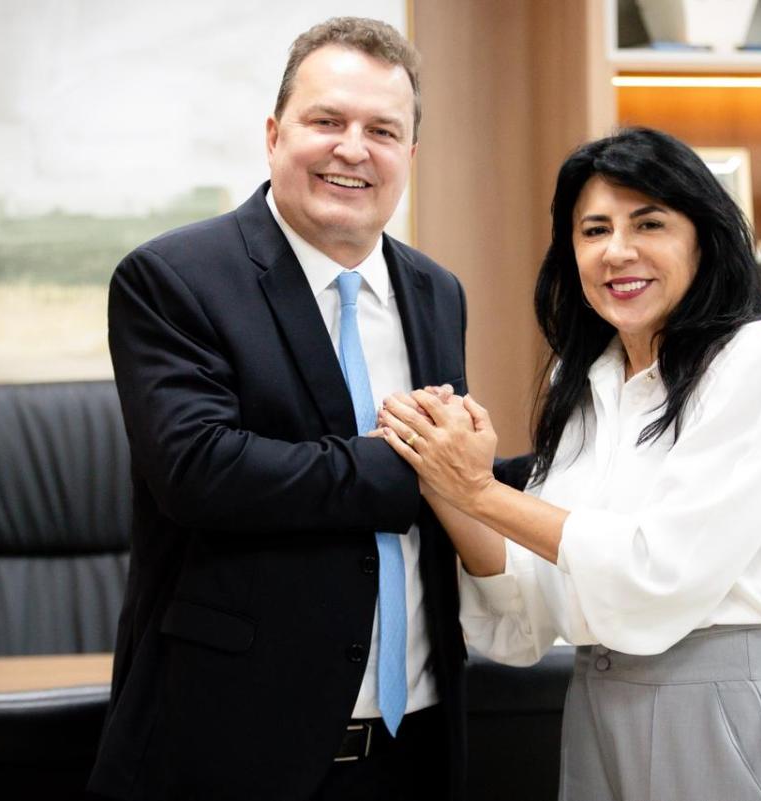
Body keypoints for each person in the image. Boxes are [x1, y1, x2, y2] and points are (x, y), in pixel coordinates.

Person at [379, 127, 761, 800]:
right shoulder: (584, 379)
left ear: (703, 238)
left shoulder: (757, 357)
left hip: (716, 708)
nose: (618, 251)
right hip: (594, 703)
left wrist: (479, 490)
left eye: (649, 223)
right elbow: (526, 611)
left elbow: (658, 570)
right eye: (594, 230)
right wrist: (442, 477)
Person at [88, 17, 469, 801]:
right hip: (235, 751)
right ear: (273, 135)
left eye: (382, 131)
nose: (353, 149)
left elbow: (454, 484)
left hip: (415, 746)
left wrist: (502, 474)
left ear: (409, 156)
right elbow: (200, 471)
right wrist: (411, 471)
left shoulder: (437, 292)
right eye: (327, 121)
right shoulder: (174, 278)